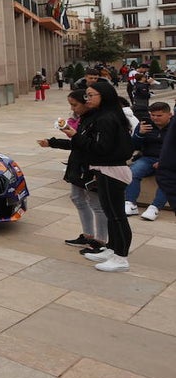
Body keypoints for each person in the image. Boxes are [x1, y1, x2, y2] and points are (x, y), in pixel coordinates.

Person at [40, 81, 133, 272]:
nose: (88, 99)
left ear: (104, 96)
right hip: (105, 169)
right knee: (111, 214)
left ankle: (121, 258)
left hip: (112, 171)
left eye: (91, 96)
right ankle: (112, 249)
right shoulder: (103, 116)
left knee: (117, 217)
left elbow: (100, 148)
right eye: (87, 96)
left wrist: (74, 135)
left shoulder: (107, 118)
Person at [45, 89, 107, 255]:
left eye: (75, 105)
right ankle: (88, 235)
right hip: (78, 164)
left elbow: (92, 145)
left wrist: (71, 135)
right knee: (77, 198)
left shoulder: (100, 120)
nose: (73, 109)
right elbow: (78, 143)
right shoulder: (84, 119)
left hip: (90, 166)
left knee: (96, 203)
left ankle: (101, 241)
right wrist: (53, 142)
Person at [126, 101, 172, 221]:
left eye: (159, 115)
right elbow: (133, 146)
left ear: (169, 115)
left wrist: (165, 161)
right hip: (148, 158)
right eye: (153, 115)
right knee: (133, 172)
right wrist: (140, 134)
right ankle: (130, 203)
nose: (155, 118)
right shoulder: (145, 124)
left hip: (169, 160)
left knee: (167, 177)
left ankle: (155, 207)